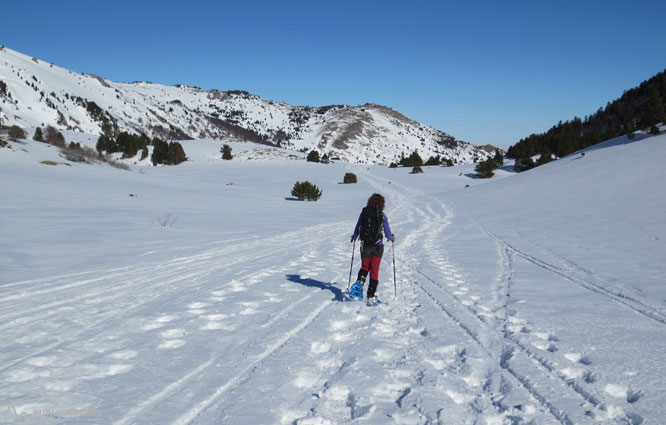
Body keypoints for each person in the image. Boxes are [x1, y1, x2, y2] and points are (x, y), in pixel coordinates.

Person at [350, 193, 396, 306]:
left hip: (365, 245)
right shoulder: (382, 216)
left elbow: (358, 227)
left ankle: (360, 283)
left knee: (365, 266)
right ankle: (371, 297)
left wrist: (355, 237)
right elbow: (387, 233)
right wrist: (392, 238)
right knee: (374, 271)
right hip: (378, 247)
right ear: (382, 204)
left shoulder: (364, 213)